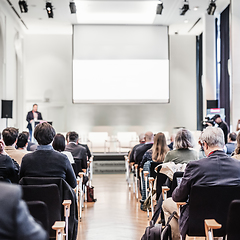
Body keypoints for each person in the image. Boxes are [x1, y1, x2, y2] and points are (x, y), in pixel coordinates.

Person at [162, 127, 240, 240]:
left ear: (205, 145)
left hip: (197, 222)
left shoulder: (195, 166)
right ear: (223, 144)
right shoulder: (238, 166)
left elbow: (178, 197)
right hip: (232, 221)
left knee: (166, 203)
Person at [20, 122, 77, 188]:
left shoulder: (26, 159)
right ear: (53, 137)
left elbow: (21, 181)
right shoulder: (63, 159)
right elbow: (73, 184)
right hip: (56, 197)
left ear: (35, 137)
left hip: (31, 197)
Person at [140, 132, 169, 209]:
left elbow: (142, 166)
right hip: (167, 182)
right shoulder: (170, 153)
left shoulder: (148, 153)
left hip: (153, 182)